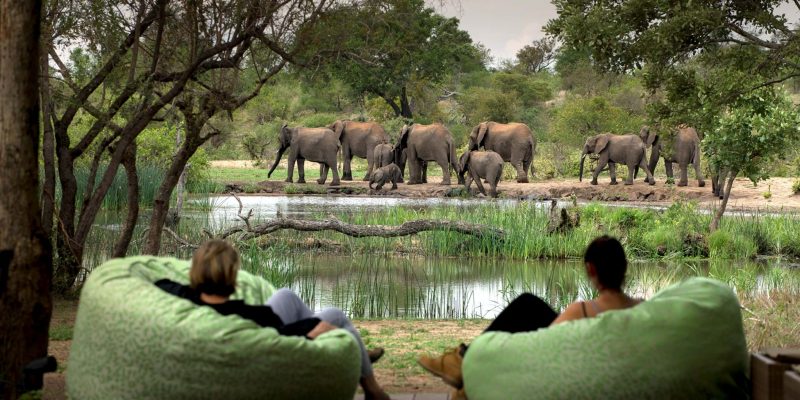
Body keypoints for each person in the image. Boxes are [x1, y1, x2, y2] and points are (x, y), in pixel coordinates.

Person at [155, 239, 390, 400]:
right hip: (271, 347)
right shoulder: (254, 315)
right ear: (233, 278)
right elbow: (281, 345)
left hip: (242, 329)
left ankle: (359, 353)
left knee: (285, 295)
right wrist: (313, 333)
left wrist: (194, 289)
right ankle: (372, 388)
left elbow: (160, 283)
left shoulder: (182, 296)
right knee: (335, 315)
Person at [418, 236, 642, 396]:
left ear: (590, 269)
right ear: (624, 267)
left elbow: (540, 348)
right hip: (620, 373)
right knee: (528, 306)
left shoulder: (581, 311)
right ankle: (462, 362)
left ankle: (462, 359)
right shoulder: (645, 308)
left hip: (589, 375)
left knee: (527, 305)